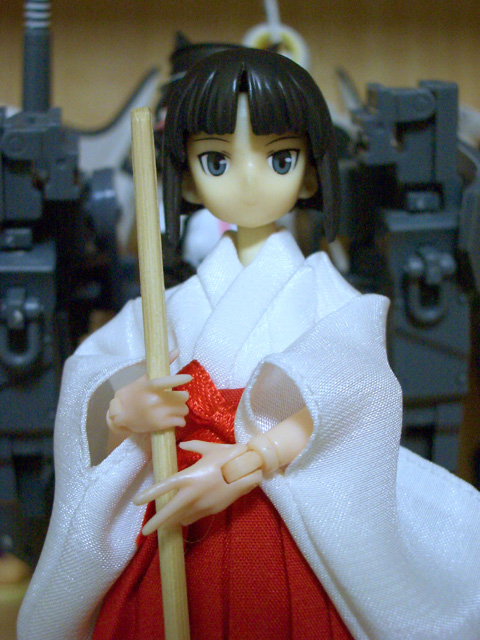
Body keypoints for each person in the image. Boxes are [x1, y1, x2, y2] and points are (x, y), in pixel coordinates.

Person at [18, 48, 480, 640]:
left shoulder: (326, 296)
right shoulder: (167, 306)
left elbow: (358, 400)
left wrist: (249, 461)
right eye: (216, 160)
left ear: (310, 172)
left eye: (280, 158)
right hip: (178, 503)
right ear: (186, 177)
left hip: (275, 508)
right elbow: (92, 382)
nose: (248, 180)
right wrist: (123, 411)